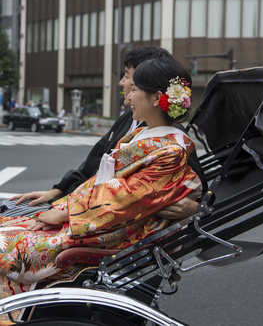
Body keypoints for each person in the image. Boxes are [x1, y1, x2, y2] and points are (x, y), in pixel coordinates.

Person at [0, 56, 202, 320]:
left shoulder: (171, 149)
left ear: (156, 99)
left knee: (6, 246)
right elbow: (100, 181)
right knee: (7, 224)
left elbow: (124, 199)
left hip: (109, 234)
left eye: (135, 89)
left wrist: (65, 214)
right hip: (94, 221)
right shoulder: (143, 133)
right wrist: (62, 204)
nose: (128, 95)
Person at [1, 46, 203, 219]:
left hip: (95, 218)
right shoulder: (131, 121)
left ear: (149, 85)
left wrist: (196, 206)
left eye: (127, 76)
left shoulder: (170, 141)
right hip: (82, 206)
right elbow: (94, 164)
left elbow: (126, 198)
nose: (122, 83)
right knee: (9, 210)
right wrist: (57, 191)